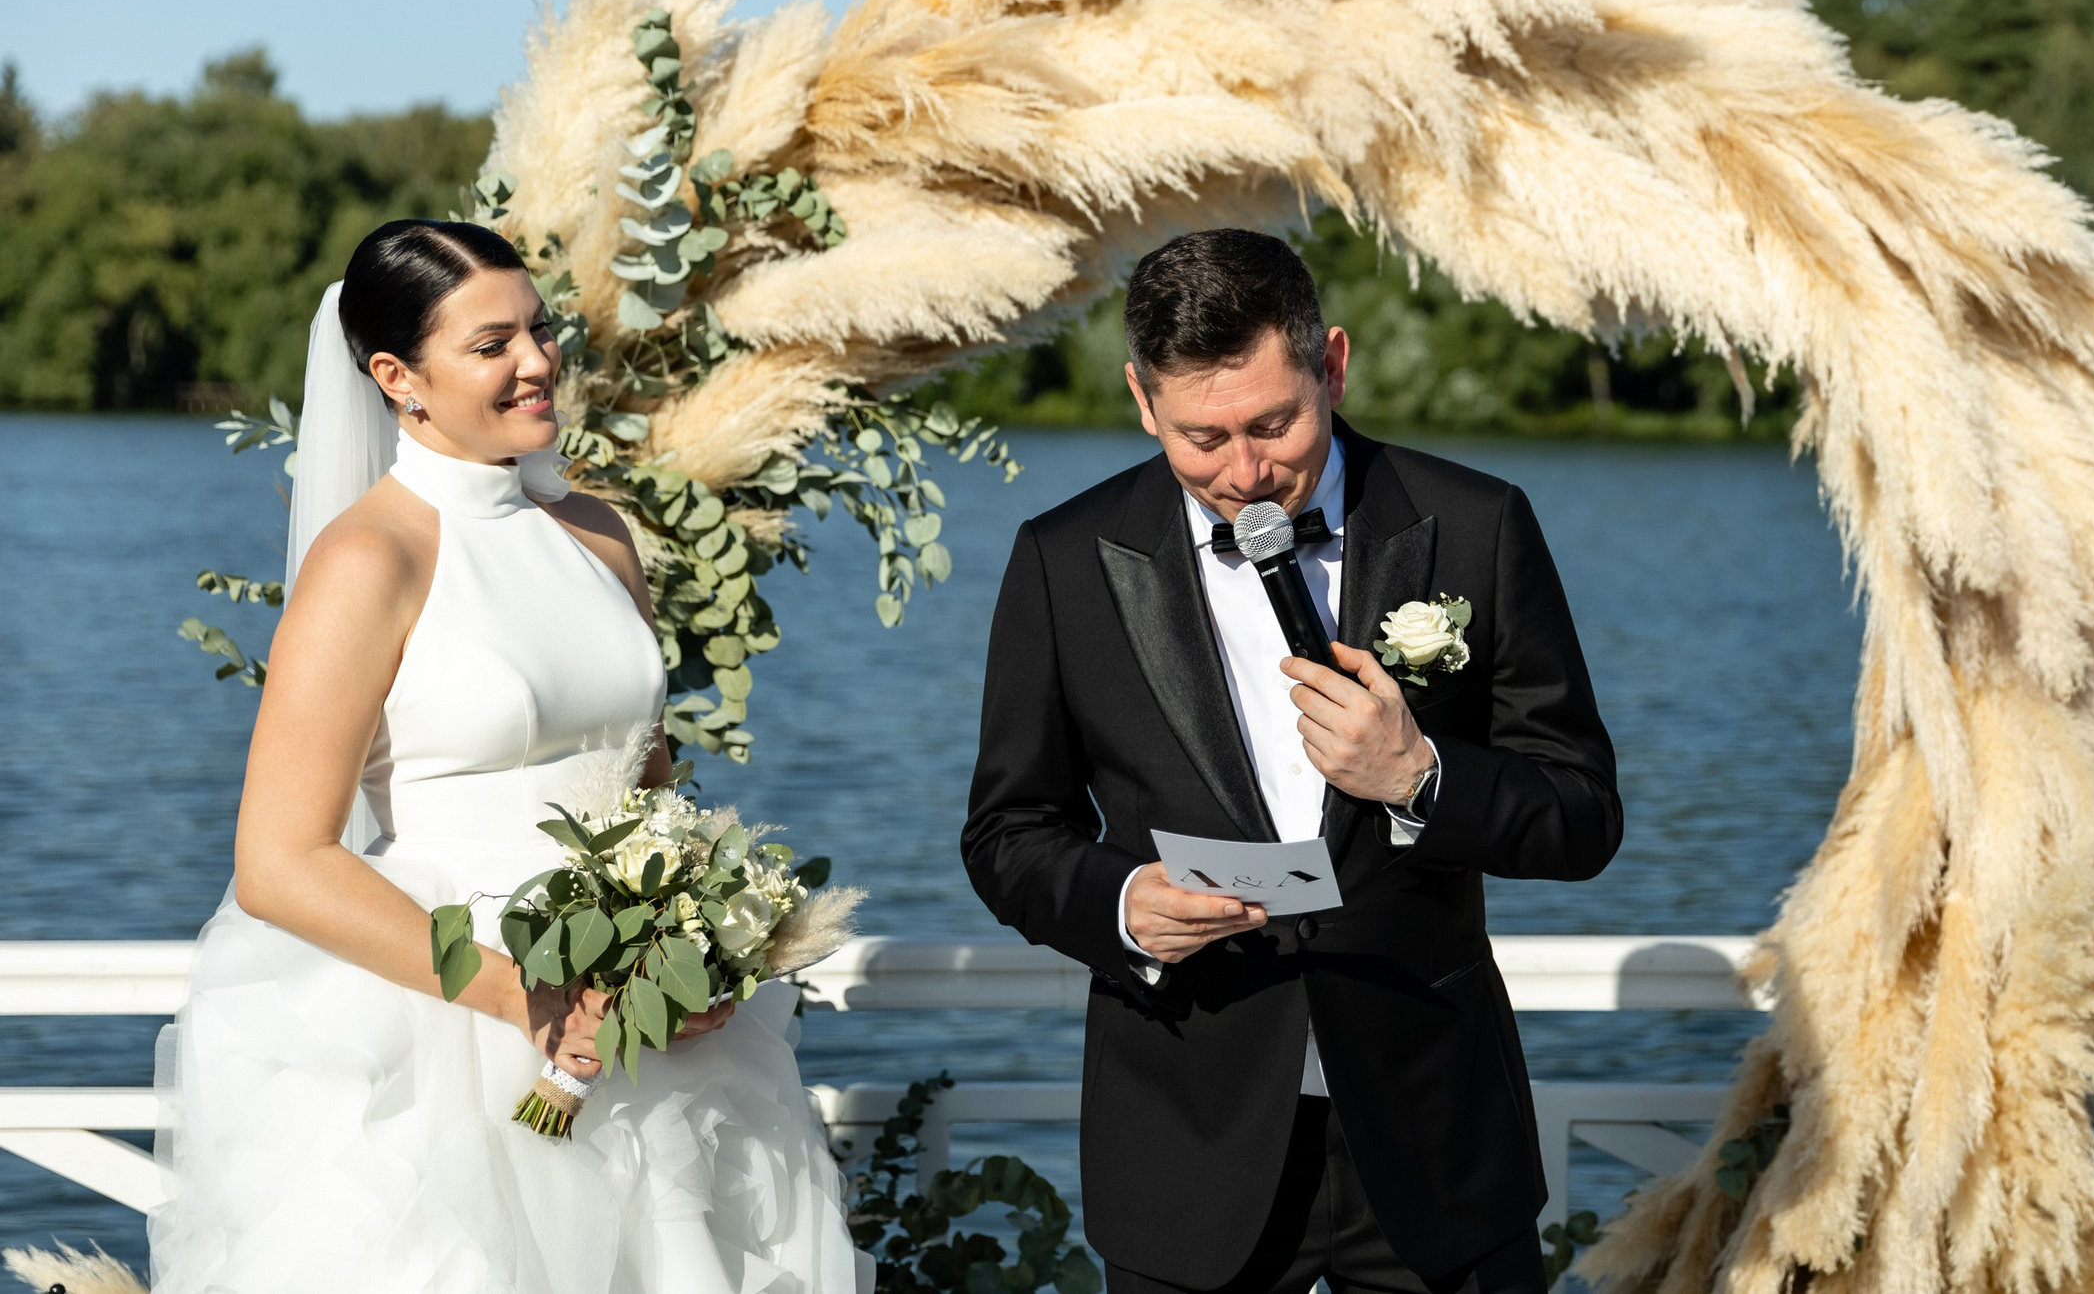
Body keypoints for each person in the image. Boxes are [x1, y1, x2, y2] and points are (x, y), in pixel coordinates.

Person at [151, 220, 871, 1293]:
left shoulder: (598, 536)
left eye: (537, 329)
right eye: (492, 345)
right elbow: (280, 860)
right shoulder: (368, 559)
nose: (537, 362)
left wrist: (696, 951)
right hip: (449, 1022)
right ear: (399, 377)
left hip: (648, 1030)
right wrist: (518, 1001)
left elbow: (651, 786)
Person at [962, 229, 1621, 1294]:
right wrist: (1123, 901)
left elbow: (1583, 815)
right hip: (1187, 1133)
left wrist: (1421, 778)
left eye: (1275, 424)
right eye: (1201, 438)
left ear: (1335, 366)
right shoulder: (1063, 557)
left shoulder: (1476, 523)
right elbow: (1007, 834)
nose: (1246, 473)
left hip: (1434, 1135)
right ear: (1141, 400)